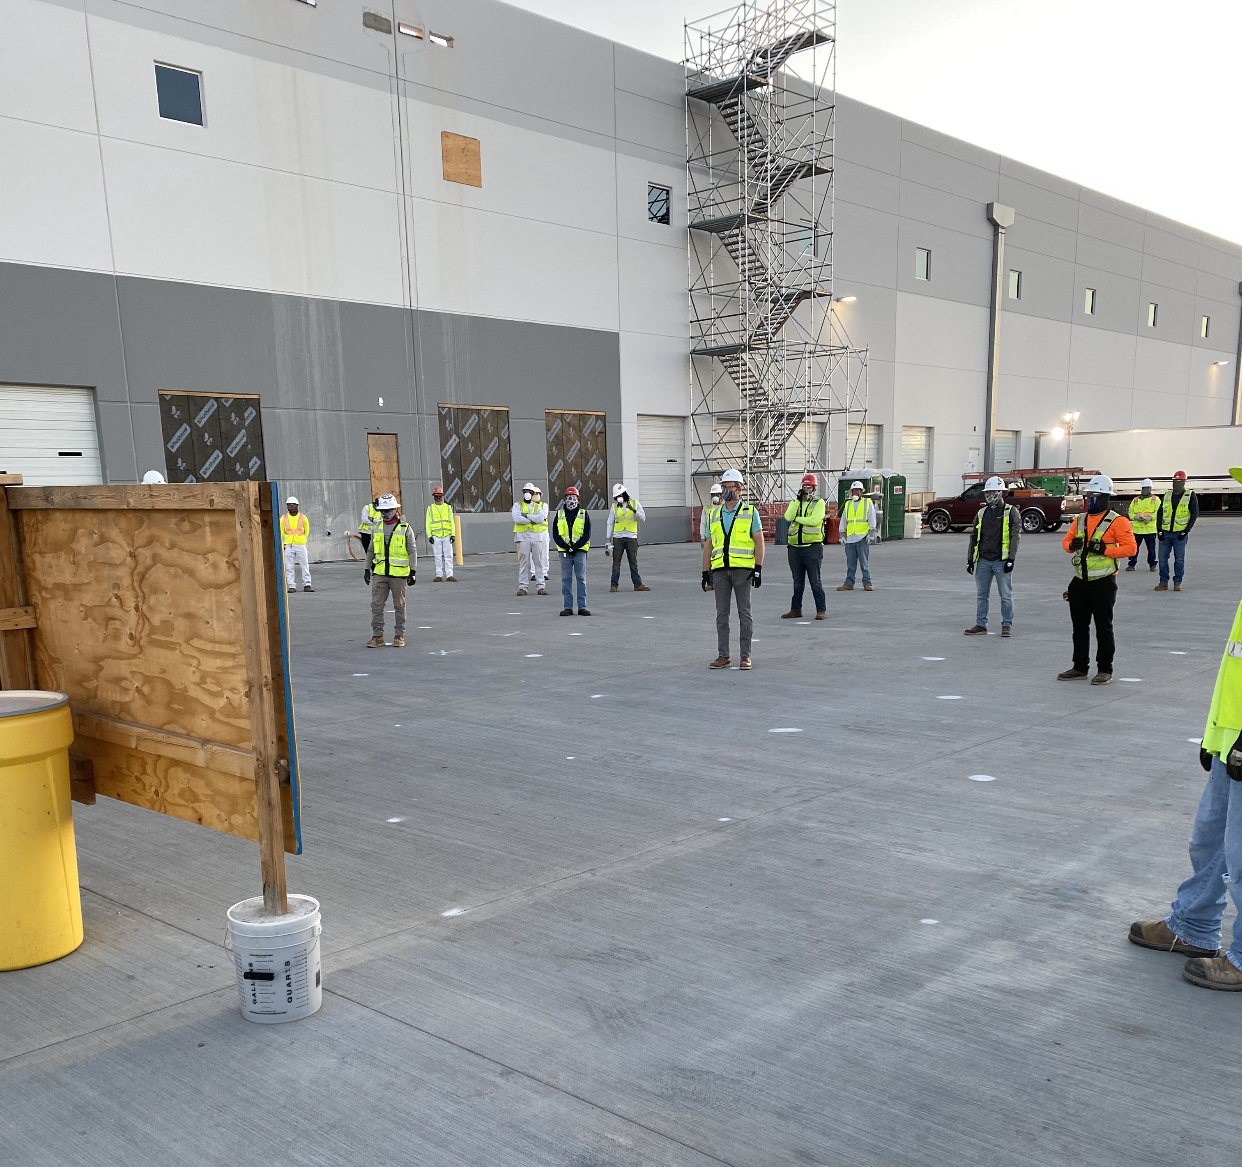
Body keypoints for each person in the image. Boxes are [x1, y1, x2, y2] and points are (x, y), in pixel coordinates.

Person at [1129, 500, 1242, 991]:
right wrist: (1215, 733)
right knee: (1210, 842)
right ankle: (1193, 926)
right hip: (1230, 740)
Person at [1056, 474, 1136, 685]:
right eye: (1089, 495)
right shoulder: (1080, 519)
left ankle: (1105, 669)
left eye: (1095, 496)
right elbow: (1066, 541)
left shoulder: (1118, 522)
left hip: (1103, 582)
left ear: (1105, 498)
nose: (1090, 499)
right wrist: (1071, 546)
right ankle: (1080, 667)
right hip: (1080, 581)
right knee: (1079, 628)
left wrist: (1105, 550)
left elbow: (1131, 548)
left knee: (1103, 627)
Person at [701, 468, 764, 670]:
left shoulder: (750, 512)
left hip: (742, 571)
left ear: (739, 490)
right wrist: (705, 571)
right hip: (720, 570)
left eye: (729, 487)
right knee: (722, 614)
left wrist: (758, 568)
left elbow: (759, 541)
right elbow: (709, 544)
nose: (725, 491)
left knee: (744, 613)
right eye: (724, 487)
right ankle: (723, 655)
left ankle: (745, 656)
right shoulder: (714, 514)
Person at [963, 476, 1019, 637]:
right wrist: (970, 559)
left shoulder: (1011, 512)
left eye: (992, 492)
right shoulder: (981, 513)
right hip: (983, 560)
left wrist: (1011, 559)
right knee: (982, 595)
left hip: (1001, 561)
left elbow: (1015, 536)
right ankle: (981, 625)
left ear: (1001, 492)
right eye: (987, 492)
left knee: (1006, 595)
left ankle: (1006, 625)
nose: (988, 495)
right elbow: (974, 537)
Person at [366, 493, 414, 648]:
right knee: (376, 605)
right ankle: (377, 636)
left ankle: (399, 635)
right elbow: (371, 550)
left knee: (399, 605)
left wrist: (413, 571)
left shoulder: (405, 528)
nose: (384, 514)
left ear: (395, 510)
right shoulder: (377, 527)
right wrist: (367, 568)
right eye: (382, 511)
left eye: (387, 510)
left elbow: (412, 550)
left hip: (398, 575)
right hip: (380, 573)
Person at [782, 473, 826, 620]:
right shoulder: (795, 502)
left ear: (814, 488)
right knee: (797, 581)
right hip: (794, 547)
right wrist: (797, 501)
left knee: (815, 580)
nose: (806, 489)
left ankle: (821, 610)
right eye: (804, 486)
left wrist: (797, 518)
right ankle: (795, 609)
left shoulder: (819, 503)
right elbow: (788, 517)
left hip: (812, 547)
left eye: (809, 487)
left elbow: (814, 521)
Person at [1155, 469, 1197, 592]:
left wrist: (1186, 531)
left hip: (1180, 534)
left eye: (1179, 481)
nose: (1176, 484)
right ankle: (1163, 582)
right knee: (1162, 559)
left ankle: (1177, 582)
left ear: (1184, 482)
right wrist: (1159, 530)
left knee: (1179, 559)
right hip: (1166, 533)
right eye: (1174, 481)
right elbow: (1160, 513)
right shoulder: (1167, 495)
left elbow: (1194, 514)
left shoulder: (1190, 496)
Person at [552, 486, 591, 615]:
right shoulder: (559, 514)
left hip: (580, 551)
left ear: (578, 498)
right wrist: (566, 547)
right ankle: (568, 607)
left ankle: (582, 607)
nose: (571, 500)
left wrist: (575, 546)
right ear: (565, 498)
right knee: (566, 579)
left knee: (581, 578)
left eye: (573, 497)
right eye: (568, 497)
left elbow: (587, 534)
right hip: (564, 552)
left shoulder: (583, 514)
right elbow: (556, 534)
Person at [607, 483, 649, 592]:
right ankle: (614, 585)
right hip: (618, 537)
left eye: (620, 495)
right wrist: (608, 539)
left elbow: (643, 518)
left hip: (631, 537)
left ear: (625, 494)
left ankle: (637, 585)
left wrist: (634, 510)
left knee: (633, 562)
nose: (619, 498)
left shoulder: (635, 504)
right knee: (616, 563)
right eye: (617, 496)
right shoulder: (614, 507)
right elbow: (610, 522)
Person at [837, 481, 876, 592]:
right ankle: (849, 583)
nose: (855, 492)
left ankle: (867, 583)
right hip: (850, 538)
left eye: (858, 490)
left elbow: (872, 517)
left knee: (864, 563)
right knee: (851, 564)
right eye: (853, 491)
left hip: (862, 537)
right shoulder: (848, 504)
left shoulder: (867, 502)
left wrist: (871, 533)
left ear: (861, 492)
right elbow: (844, 520)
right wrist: (842, 534)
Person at [511, 482, 548, 597]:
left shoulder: (537, 506)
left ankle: (541, 586)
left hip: (536, 536)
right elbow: (517, 518)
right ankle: (523, 587)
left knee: (538, 562)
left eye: (530, 492)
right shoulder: (517, 505)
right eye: (526, 491)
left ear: (533, 493)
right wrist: (533, 520)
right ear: (523, 493)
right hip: (523, 537)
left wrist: (526, 516)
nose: (528, 493)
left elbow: (541, 518)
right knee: (524, 562)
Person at [281, 496, 313, 593]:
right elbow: (282, 531)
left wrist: (301, 539)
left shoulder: (303, 518)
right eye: (289, 505)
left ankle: (307, 584)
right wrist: (288, 539)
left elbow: (307, 530)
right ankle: (291, 586)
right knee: (289, 567)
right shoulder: (283, 518)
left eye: (293, 505)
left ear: (297, 506)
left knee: (304, 565)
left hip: (300, 544)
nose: (291, 507)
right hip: (289, 545)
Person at [1127, 478, 1159, 572]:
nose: (1145, 490)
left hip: (1150, 529)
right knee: (1134, 548)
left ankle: (1152, 565)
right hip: (1137, 529)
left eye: (1147, 488)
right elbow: (1130, 512)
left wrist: (1150, 518)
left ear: (1150, 489)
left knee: (1151, 549)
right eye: (1144, 488)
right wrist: (1135, 517)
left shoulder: (1156, 500)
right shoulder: (1135, 500)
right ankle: (1131, 564)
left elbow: (1159, 512)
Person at [425, 485, 456, 582]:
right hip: (436, 536)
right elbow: (428, 523)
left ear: (442, 496)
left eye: (439, 496)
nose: (438, 497)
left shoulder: (448, 508)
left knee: (448, 556)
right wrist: (430, 536)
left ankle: (449, 575)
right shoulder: (430, 509)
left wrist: (453, 534)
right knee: (438, 557)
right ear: (434, 497)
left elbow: (451, 521)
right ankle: (439, 575)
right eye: (436, 496)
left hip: (447, 535)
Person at [531, 487, 550, 592]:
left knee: (544, 553)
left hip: (543, 532)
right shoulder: (529, 506)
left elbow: (542, 517)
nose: (536, 495)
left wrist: (533, 517)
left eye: (537, 494)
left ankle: (544, 572)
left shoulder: (544, 505)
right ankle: (534, 573)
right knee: (533, 554)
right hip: (533, 533)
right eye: (534, 494)